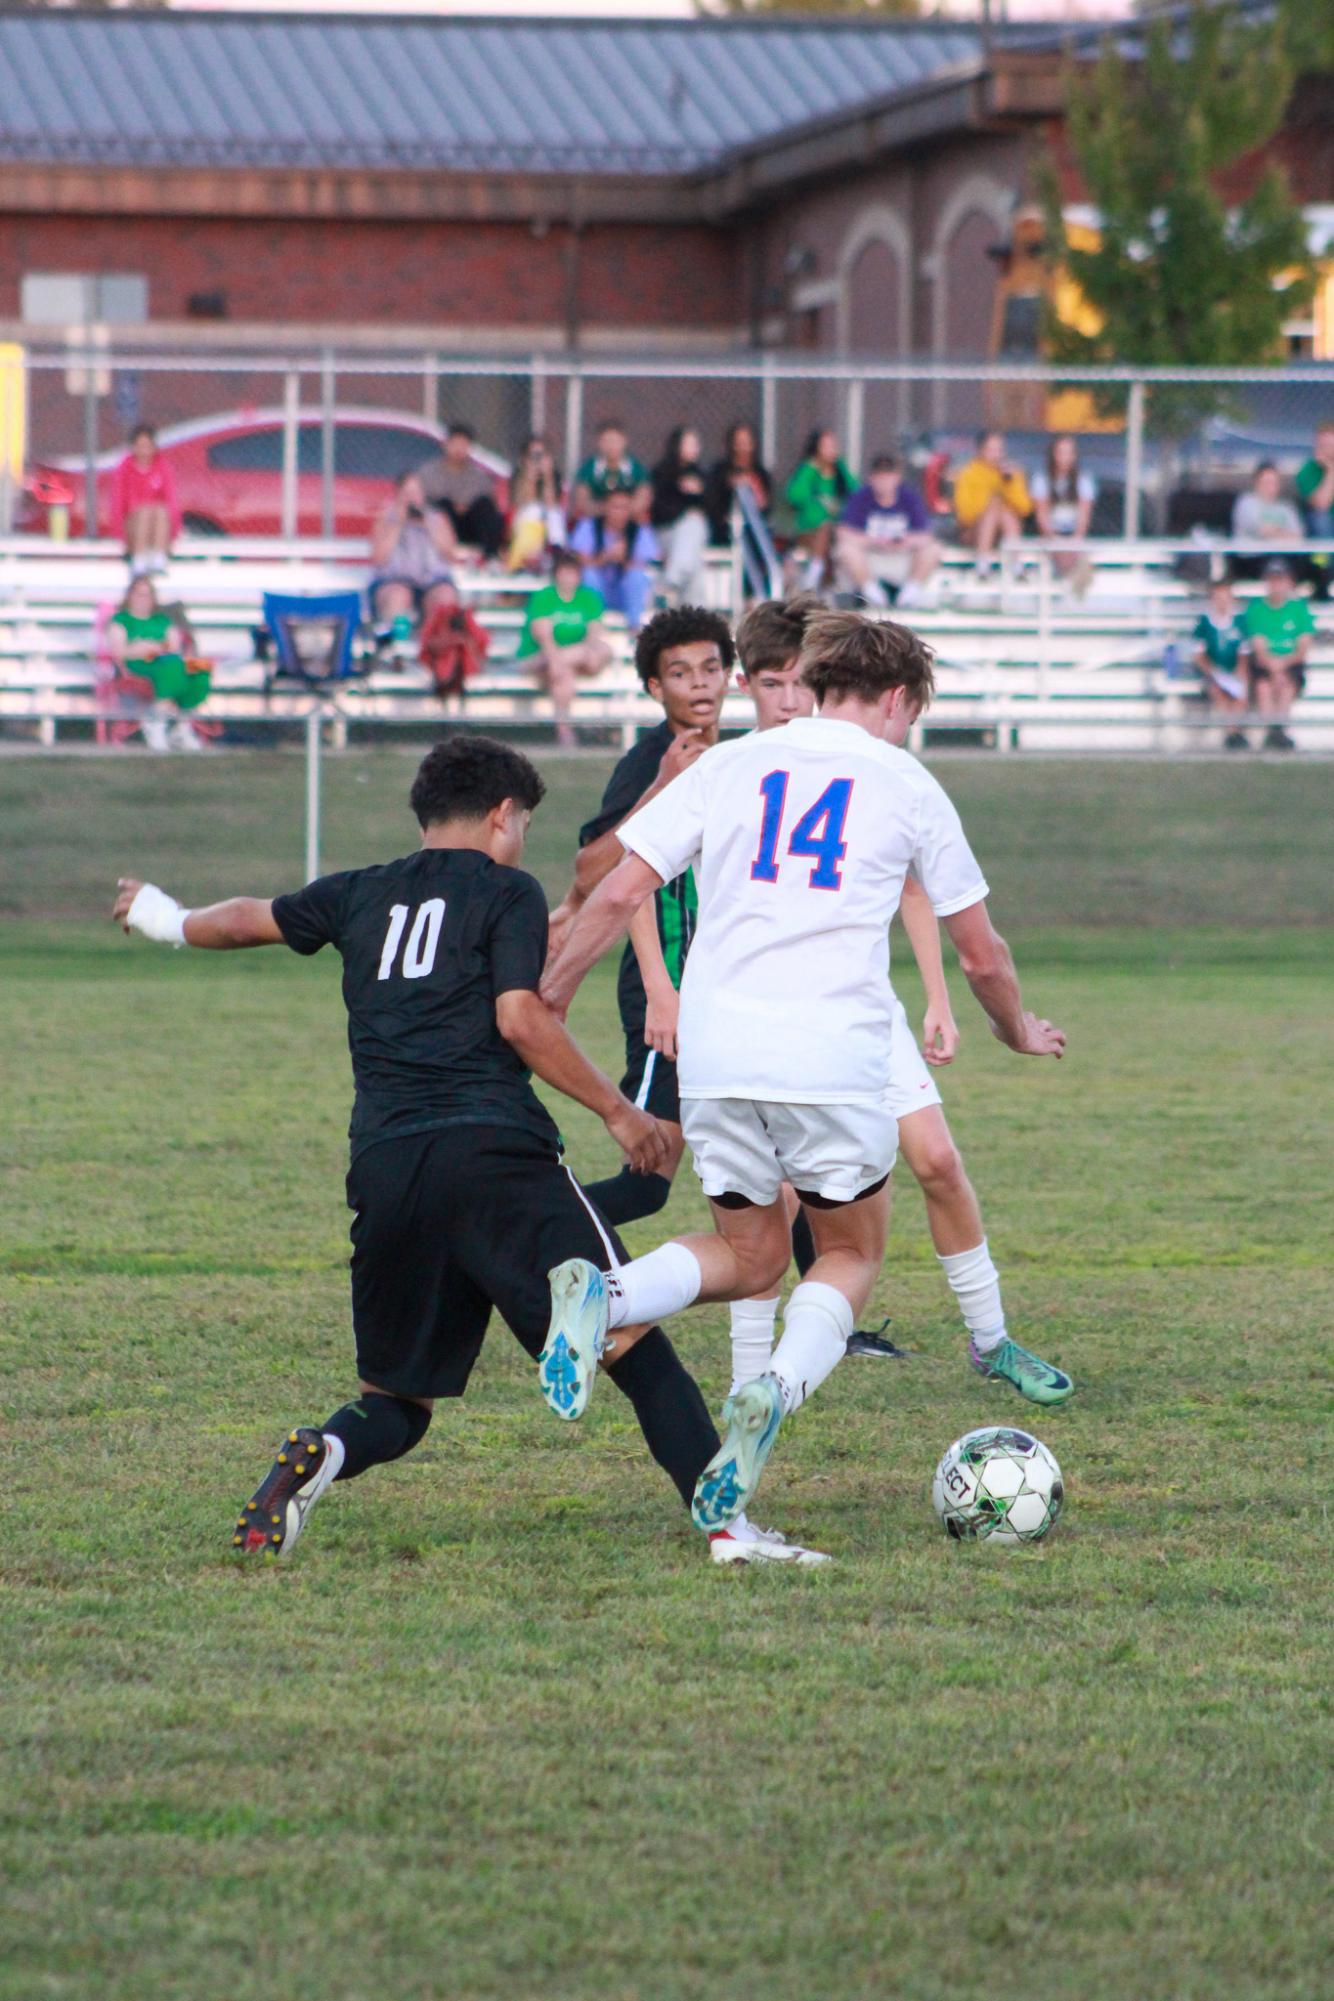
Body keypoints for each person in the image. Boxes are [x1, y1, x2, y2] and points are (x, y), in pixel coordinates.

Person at [112, 736, 823, 1569]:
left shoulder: (359, 892)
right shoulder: (506, 889)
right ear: (501, 817)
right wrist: (622, 1113)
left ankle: (324, 1455)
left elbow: (244, 917)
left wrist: (162, 914)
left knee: (396, 1404)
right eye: (522, 822)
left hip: (386, 1167)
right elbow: (520, 1016)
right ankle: (731, 1532)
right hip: (496, 1156)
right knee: (637, 1348)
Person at [540, 611, 1068, 1538]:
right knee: (853, 1252)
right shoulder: (905, 781)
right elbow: (981, 954)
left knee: (750, 1255)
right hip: (830, 1054)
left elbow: (621, 886)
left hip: (716, 1052)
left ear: (817, 685)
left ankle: (609, 1293)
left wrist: (552, 991)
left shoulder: (730, 762)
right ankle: (775, 1392)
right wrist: (1015, 1026)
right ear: (897, 699)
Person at [640, 592, 1066, 1392]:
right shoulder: (733, 767)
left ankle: (992, 1339)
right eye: (771, 683)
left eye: (794, 682)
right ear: (755, 688)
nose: (787, 699)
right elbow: (626, 873)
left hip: (854, 1011)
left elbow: (914, 888)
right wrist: (655, 983)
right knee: (780, 1205)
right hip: (773, 1020)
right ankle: (750, 1380)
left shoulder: (879, 776)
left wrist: (937, 999)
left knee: (938, 1159)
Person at [546, 607, 731, 1233]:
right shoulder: (653, 757)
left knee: (783, 1172)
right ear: (656, 689)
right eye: (680, 673)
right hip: (670, 994)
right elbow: (590, 871)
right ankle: (520, 1227)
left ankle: (836, 1325)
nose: (700, 684)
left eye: (711, 668)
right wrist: (658, 787)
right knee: (649, 1180)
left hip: (730, 991)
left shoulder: (738, 758)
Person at [514, 548, 612, 747]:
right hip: (539, 657)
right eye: (564, 572)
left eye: (573, 572)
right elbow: (543, 636)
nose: (568, 577)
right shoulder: (544, 597)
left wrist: (571, 657)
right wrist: (558, 660)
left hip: (569, 661)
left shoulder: (588, 598)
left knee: (600, 651)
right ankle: (565, 731)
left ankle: (564, 732)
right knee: (563, 671)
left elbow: (594, 633)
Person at [106, 575, 211, 753]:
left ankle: (182, 725)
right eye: (139, 594)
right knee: (174, 668)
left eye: (147, 595)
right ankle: (156, 721)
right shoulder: (121, 620)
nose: (143, 599)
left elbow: (174, 646)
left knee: (200, 667)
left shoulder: (162, 620)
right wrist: (140, 649)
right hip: (138, 664)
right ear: (129, 596)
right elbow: (119, 652)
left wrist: (155, 647)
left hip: (166, 660)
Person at [835, 453, 940, 609]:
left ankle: (909, 594)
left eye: (888, 476)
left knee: (933, 549)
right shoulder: (860, 498)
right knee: (846, 550)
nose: (884, 482)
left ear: (897, 478)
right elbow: (843, 532)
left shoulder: (909, 498)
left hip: (902, 557)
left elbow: (926, 536)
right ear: (872, 478)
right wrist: (874, 541)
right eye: (880, 476)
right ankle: (871, 593)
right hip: (870, 557)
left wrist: (905, 541)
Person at [1241, 558, 1314, 752]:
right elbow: (1259, 648)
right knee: (1264, 685)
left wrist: (1281, 665)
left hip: (1289, 663)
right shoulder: (1257, 608)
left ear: (1290, 582)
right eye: (1272, 580)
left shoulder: (1299, 609)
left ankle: (1277, 731)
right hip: (1266, 663)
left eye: (1280, 580)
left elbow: (1303, 648)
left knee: (1286, 684)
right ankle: (1274, 732)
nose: (1276, 585)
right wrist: (1274, 666)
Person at [369, 471, 457, 632]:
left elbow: (450, 554)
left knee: (445, 596)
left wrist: (429, 527)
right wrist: (398, 523)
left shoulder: (436, 519)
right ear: (398, 494)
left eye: (416, 493)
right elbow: (379, 557)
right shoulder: (386, 518)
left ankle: (436, 644)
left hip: (432, 581)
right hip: (394, 580)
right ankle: (398, 644)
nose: (412, 498)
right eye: (407, 493)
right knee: (399, 595)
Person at [570, 489, 660, 632]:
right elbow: (579, 561)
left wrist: (623, 558)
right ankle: (593, 626)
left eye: (624, 507)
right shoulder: (589, 526)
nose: (619, 512)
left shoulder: (639, 530)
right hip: (598, 589)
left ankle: (634, 628)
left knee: (637, 576)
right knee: (588, 574)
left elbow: (645, 565)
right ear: (605, 507)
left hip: (624, 593)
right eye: (615, 507)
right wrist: (606, 556)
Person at [418, 423, 506, 561]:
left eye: (463, 445)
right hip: (443, 529)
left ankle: (490, 558)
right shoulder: (429, 472)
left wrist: (465, 506)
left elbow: (485, 500)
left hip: (469, 526)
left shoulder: (479, 476)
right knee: (442, 506)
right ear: (446, 445)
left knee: (485, 506)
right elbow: (427, 502)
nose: (459, 449)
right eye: (455, 444)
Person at [784, 429, 856, 589]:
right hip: (809, 530)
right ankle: (814, 574)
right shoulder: (808, 471)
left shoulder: (840, 471)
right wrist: (810, 469)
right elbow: (795, 495)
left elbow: (855, 494)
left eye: (833, 446)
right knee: (823, 528)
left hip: (836, 530)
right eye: (826, 446)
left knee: (831, 531)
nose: (831, 450)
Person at [649, 426, 712, 604]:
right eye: (689, 443)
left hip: (694, 536)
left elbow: (712, 509)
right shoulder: (661, 473)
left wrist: (699, 493)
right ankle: (697, 615)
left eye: (696, 444)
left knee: (694, 524)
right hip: (666, 533)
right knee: (694, 568)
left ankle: (672, 580)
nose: (695, 448)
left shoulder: (702, 475)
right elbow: (659, 511)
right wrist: (684, 504)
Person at [952, 430, 1032, 565]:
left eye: (999, 450)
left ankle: (1014, 563)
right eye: (991, 450)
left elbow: (1025, 509)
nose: (996, 455)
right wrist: (990, 505)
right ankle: (983, 562)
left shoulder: (1011, 474)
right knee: (994, 508)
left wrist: (1008, 484)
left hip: (1004, 530)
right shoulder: (968, 474)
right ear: (980, 450)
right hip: (973, 531)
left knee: (1005, 512)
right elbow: (964, 515)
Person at [109, 424, 180, 575]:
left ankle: (158, 559)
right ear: (133, 447)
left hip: (156, 524)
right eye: (140, 446)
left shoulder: (162, 467)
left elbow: (171, 501)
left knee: (159, 510)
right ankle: (139, 560)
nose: (144, 451)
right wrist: (121, 536)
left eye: (147, 446)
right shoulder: (125, 468)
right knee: (145, 511)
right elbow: (118, 503)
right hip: (132, 525)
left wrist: (173, 535)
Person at [1191, 577, 1252, 751]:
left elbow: (1243, 654)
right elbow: (1199, 656)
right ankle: (1233, 734)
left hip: (1232, 671)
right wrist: (1214, 673)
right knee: (1218, 691)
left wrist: (1239, 673)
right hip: (1212, 673)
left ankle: (1233, 733)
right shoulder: (1204, 623)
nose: (1222, 602)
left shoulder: (1239, 622)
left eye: (1226, 597)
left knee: (1240, 690)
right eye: (1218, 598)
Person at [1031, 435, 1096, 593]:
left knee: (1077, 557)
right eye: (1060, 452)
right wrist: (1055, 539)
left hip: (1073, 535)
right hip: (1051, 535)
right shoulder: (1042, 479)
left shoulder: (1083, 480)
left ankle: (1073, 591)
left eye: (1068, 453)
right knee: (1057, 553)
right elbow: (1042, 515)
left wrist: (1074, 540)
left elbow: (1084, 515)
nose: (1064, 458)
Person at [1231, 464, 1308, 586]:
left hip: (1285, 558)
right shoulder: (1245, 503)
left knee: (1317, 561)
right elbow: (1263, 530)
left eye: (1274, 482)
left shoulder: (1287, 507)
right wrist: (1284, 533)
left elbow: (1299, 537)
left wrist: (1274, 531)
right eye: (1266, 482)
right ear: (1256, 483)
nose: (1270, 487)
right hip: (1254, 559)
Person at [704, 421, 773, 548]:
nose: (742, 447)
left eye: (746, 442)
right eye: (739, 442)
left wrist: (753, 488)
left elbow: (765, 506)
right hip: (726, 528)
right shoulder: (720, 471)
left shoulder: (761, 473)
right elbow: (713, 503)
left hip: (754, 528)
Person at [506, 435, 567, 573]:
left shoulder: (554, 476)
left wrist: (547, 476)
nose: (538, 459)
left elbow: (551, 502)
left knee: (554, 513)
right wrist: (530, 476)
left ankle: (557, 552)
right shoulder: (517, 475)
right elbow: (519, 502)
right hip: (523, 522)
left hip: (547, 525)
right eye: (533, 455)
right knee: (533, 509)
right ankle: (525, 560)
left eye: (541, 454)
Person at [571, 420, 651, 524]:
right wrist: (608, 511)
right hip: (596, 521)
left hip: (629, 522)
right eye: (606, 441)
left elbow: (643, 499)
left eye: (615, 441)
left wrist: (621, 513)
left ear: (624, 441)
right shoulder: (589, 468)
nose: (611, 446)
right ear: (599, 443)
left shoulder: (636, 468)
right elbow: (583, 501)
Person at [1295, 421, 1334, 537]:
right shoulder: (1306, 471)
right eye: (1324, 445)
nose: (1328, 449)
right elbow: (1322, 505)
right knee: (1321, 519)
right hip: (1320, 523)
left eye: (1331, 445)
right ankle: (1324, 555)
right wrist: (1331, 471)